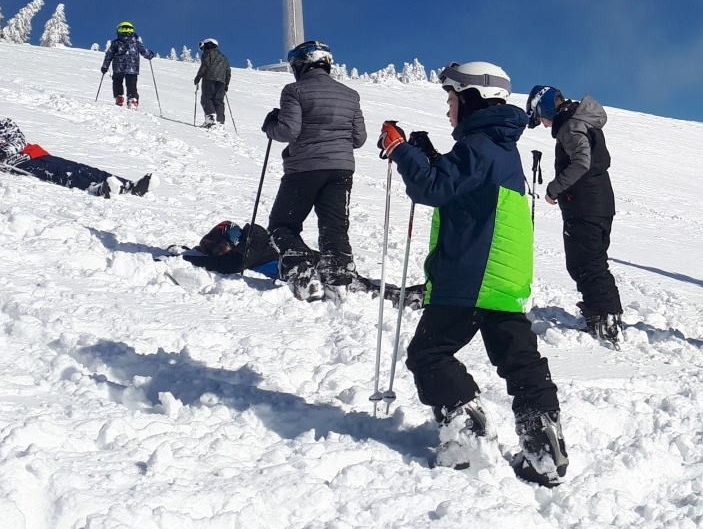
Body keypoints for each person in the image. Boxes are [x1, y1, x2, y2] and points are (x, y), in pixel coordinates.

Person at [378, 61, 568, 487]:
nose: (448, 110)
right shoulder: (499, 146)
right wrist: (429, 157)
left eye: (451, 99)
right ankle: (545, 451)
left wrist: (400, 149)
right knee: (520, 362)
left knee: (428, 355)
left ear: (471, 98)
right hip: (504, 279)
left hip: (472, 277)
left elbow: (431, 189)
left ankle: (468, 436)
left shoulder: (478, 145)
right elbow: (461, 188)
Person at [260, 40, 367, 293]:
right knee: (334, 227)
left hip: (305, 168)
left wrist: (270, 126)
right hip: (341, 169)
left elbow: (288, 131)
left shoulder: (294, 90)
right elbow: (359, 139)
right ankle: (338, 277)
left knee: (282, 225)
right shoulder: (350, 95)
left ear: (301, 64)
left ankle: (301, 267)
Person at [526, 84, 623, 346]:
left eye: (542, 118)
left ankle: (605, 319)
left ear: (547, 108)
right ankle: (604, 314)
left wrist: (554, 188)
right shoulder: (579, 122)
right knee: (592, 261)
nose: (545, 125)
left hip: (586, 205)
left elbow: (582, 161)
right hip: (597, 203)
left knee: (586, 264)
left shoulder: (570, 126)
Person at [0, 91, 151, 197]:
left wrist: (2, 152)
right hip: (16, 165)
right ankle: (98, 189)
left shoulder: (5, 123)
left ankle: (127, 184)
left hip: (34, 154)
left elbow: (18, 139)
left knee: (76, 167)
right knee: (62, 175)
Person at [101, 22, 155, 108]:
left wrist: (105, 66)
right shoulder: (136, 43)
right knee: (131, 85)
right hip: (132, 69)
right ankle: (132, 100)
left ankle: (119, 97)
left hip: (118, 68)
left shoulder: (116, 43)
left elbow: (109, 55)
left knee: (117, 82)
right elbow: (144, 52)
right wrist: (150, 55)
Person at [193, 38, 232, 128]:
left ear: (208, 44)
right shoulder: (224, 57)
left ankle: (211, 119)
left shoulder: (208, 53)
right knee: (218, 101)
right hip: (221, 82)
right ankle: (220, 121)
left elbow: (205, 64)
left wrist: (198, 76)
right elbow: (228, 71)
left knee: (206, 98)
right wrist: (226, 84)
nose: (203, 49)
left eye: (203, 46)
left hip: (209, 78)